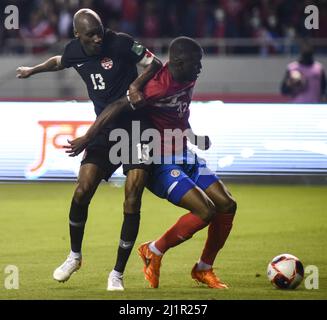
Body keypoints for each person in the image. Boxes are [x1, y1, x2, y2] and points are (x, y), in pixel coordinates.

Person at [66, 36, 237, 289]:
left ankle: (203, 268)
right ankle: (154, 250)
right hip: (159, 160)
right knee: (206, 211)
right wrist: (89, 137)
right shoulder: (154, 87)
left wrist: (193, 137)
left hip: (184, 152)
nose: (200, 68)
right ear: (178, 62)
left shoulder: (188, 76)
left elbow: (179, 113)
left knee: (227, 204)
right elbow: (115, 106)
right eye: (195, 63)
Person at [16, 8, 162, 291]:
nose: (98, 38)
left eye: (100, 31)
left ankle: (116, 273)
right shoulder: (75, 51)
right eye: (91, 34)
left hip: (139, 129)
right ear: (77, 35)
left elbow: (155, 63)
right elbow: (59, 61)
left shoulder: (119, 42)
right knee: (83, 188)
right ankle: (74, 256)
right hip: (105, 130)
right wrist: (32, 70)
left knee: (132, 196)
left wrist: (136, 83)